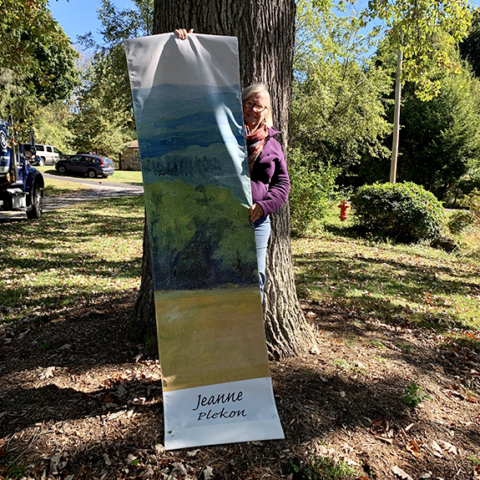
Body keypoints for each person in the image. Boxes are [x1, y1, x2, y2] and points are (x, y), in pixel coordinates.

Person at [174, 30, 290, 301]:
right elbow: (199, 96)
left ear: (266, 111)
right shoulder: (223, 132)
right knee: (216, 277)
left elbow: (282, 184)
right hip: (219, 218)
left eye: (260, 106)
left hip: (257, 221)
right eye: (249, 102)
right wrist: (185, 49)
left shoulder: (272, 143)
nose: (253, 109)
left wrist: (263, 206)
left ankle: (247, 341)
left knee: (254, 281)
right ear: (240, 103)